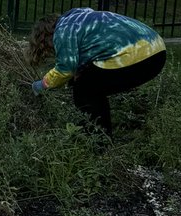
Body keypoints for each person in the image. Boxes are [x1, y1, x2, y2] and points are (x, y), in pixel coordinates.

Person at [28, 7, 166, 136]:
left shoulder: (62, 31)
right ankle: (100, 133)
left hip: (135, 56)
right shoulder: (79, 17)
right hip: (156, 48)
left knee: (84, 91)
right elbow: (92, 50)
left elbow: (65, 70)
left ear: (45, 37)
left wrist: (41, 85)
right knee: (91, 84)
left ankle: (98, 141)